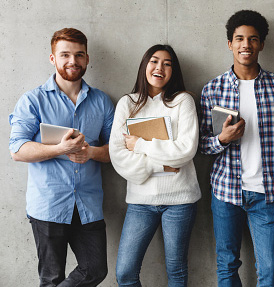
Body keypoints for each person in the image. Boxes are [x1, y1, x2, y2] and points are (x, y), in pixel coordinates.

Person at [199, 10, 274, 287]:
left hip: (268, 193)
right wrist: (222, 139)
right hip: (225, 192)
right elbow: (201, 145)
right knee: (227, 265)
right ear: (230, 44)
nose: (246, 44)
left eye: (253, 39)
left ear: (262, 44)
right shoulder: (212, 89)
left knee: (269, 269)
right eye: (239, 39)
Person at [8, 28, 114, 286]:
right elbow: (17, 150)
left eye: (79, 55)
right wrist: (60, 149)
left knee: (95, 269)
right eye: (65, 54)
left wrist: (90, 152)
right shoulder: (32, 100)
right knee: (51, 278)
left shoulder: (102, 102)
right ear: (53, 59)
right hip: (48, 203)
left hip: (88, 205)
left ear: (87, 59)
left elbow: (116, 150)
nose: (72, 61)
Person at [109, 44, 201, 286]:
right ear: (144, 66)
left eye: (167, 63)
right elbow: (118, 155)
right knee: (125, 273)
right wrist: (160, 166)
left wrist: (140, 144)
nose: (160, 67)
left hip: (180, 200)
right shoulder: (127, 103)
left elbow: (185, 149)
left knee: (176, 272)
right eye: (154, 61)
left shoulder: (183, 101)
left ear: (173, 71)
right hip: (140, 202)